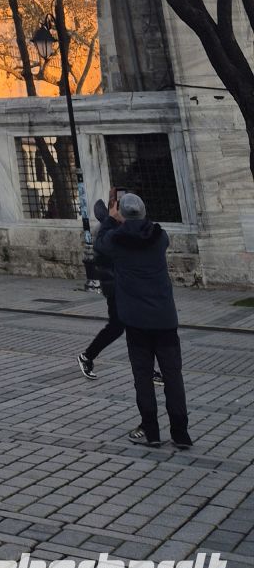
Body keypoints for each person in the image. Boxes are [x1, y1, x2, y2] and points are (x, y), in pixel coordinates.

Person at [94, 190, 191, 449]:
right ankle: (181, 433)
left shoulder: (116, 240)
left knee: (143, 376)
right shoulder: (161, 237)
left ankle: (151, 431)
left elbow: (99, 243)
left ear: (122, 215)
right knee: (173, 377)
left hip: (136, 321)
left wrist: (111, 218)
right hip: (165, 318)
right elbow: (144, 229)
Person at [77, 197, 125, 379]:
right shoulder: (106, 233)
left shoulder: (116, 229)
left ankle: (148, 369)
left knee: (134, 326)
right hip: (115, 288)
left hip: (123, 286)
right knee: (117, 327)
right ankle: (87, 356)